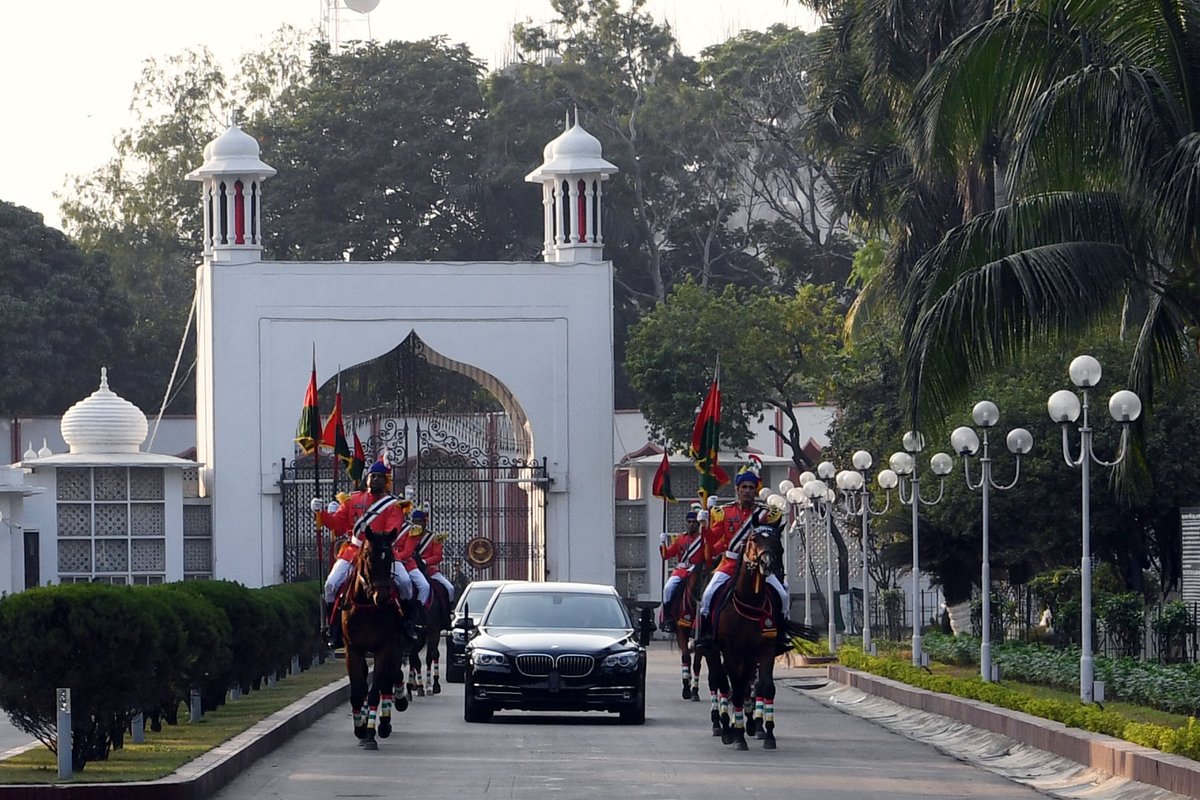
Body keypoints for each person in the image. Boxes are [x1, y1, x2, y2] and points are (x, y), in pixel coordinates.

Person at [313, 460, 423, 647]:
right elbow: (337, 525)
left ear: (386, 481)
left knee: (405, 582)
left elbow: (392, 529)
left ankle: (408, 622)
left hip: (381, 551)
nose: (375, 480)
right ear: (367, 478)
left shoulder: (393, 505)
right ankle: (333, 627)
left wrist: (375, 541)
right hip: (353, 550)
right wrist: (321, 512)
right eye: (373, 476)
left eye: (380, 477)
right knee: (331, 584)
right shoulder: (351, 500)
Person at [692, 463, 793, 656]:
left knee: (783, 594)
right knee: (707, 596)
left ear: (756, 490)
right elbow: (713, 541)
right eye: (743, 487)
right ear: (737, 490)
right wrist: (704, 526)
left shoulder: (766, 514)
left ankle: (781, 634)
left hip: (757, 565)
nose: (747, 491)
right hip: (729, 564)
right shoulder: (723, 512)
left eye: (751, 487)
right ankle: (704, 636)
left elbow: (771, 539)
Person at [658, 506, 706, 632]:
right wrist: (663, 543)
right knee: (668, 589)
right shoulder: (680, 538)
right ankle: (667, 617)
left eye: (694, 522)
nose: (691, 525)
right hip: (681, 571)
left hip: (698, 571)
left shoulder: (703, 539)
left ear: (698, 524)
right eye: (689, 522)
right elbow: (666, 555)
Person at [410, 507, 456, 606]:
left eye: (420, 522)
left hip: (429, 570)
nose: (417, 525)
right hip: (411, 569)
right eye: (415, 522)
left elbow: (437, 556)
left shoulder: (434, 538)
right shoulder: (408, 537)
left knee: (450, 588)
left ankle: (447, 611)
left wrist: (424, 562)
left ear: (424, 523)